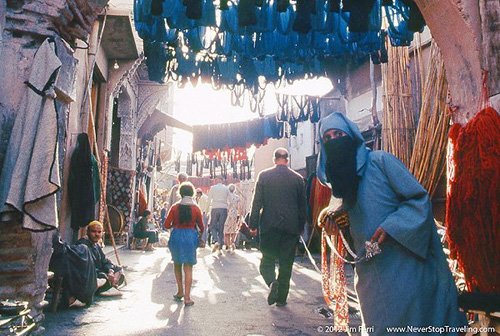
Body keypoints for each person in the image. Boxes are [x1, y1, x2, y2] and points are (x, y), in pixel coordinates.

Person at [316, 112, 467, 334]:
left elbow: (418, 199)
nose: (333, 141)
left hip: (405, 267)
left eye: (338, 134)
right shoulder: (341, 183)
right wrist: (333, 221)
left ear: (351, 137)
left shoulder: (380, 161)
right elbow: (350, 224)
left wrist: (392, 225)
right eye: (327, 138)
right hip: (370, 273)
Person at [249, 148, 306, 307]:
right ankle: (281, 299)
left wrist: (253, 225)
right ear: (287, 160)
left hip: (269, 225)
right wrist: (301, 226)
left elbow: (257, 203)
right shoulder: (298, 179)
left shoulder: (264, 176)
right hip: (291, 227)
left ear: (275, 159)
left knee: (267, 261)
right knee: (286, 263)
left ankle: (271, 282)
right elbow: (303, 206)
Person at [163, 182, 204, 307]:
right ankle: (187, 297)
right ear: (192, 193)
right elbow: (202, 227)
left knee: (177, 264)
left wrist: (174, 225)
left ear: (180, 193)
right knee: (188, 266)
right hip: (190, 237)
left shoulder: (175, 207)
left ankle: (180, 291)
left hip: (177, 236)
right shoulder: (196, 208)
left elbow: (166, 225)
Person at [77, 221, 125, 296]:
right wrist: (104, 274)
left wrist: (110, 270)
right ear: (88, 232)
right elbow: (85, 268)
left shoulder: (96, 244)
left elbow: (105, 260)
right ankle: (107, 287)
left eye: (99, 232)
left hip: (100, 271)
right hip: (92, 274)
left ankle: (109, 285)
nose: (96, 234)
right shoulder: (82, 245)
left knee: (119, 269)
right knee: (102, 277)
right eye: (93, 231)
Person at [207, 176, 230, 254]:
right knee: (221, 227)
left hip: (215, 207)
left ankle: (216, 240)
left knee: (212, 226)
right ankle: (220, 247)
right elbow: (229, 199)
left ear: (217, 180)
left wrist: (207, 210)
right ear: (222, 181)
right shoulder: (226, 188)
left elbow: (209, 199)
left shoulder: (213, 188)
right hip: (224, 208)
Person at [223, 184, 241, 254]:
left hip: (229, 213)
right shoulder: (237, 197)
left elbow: (227, 206)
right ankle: (232, 243)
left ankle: (228, 246)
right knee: (233, 229)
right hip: (235, 213)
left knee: (226, 230)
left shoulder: (227, 197)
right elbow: (238, 207)